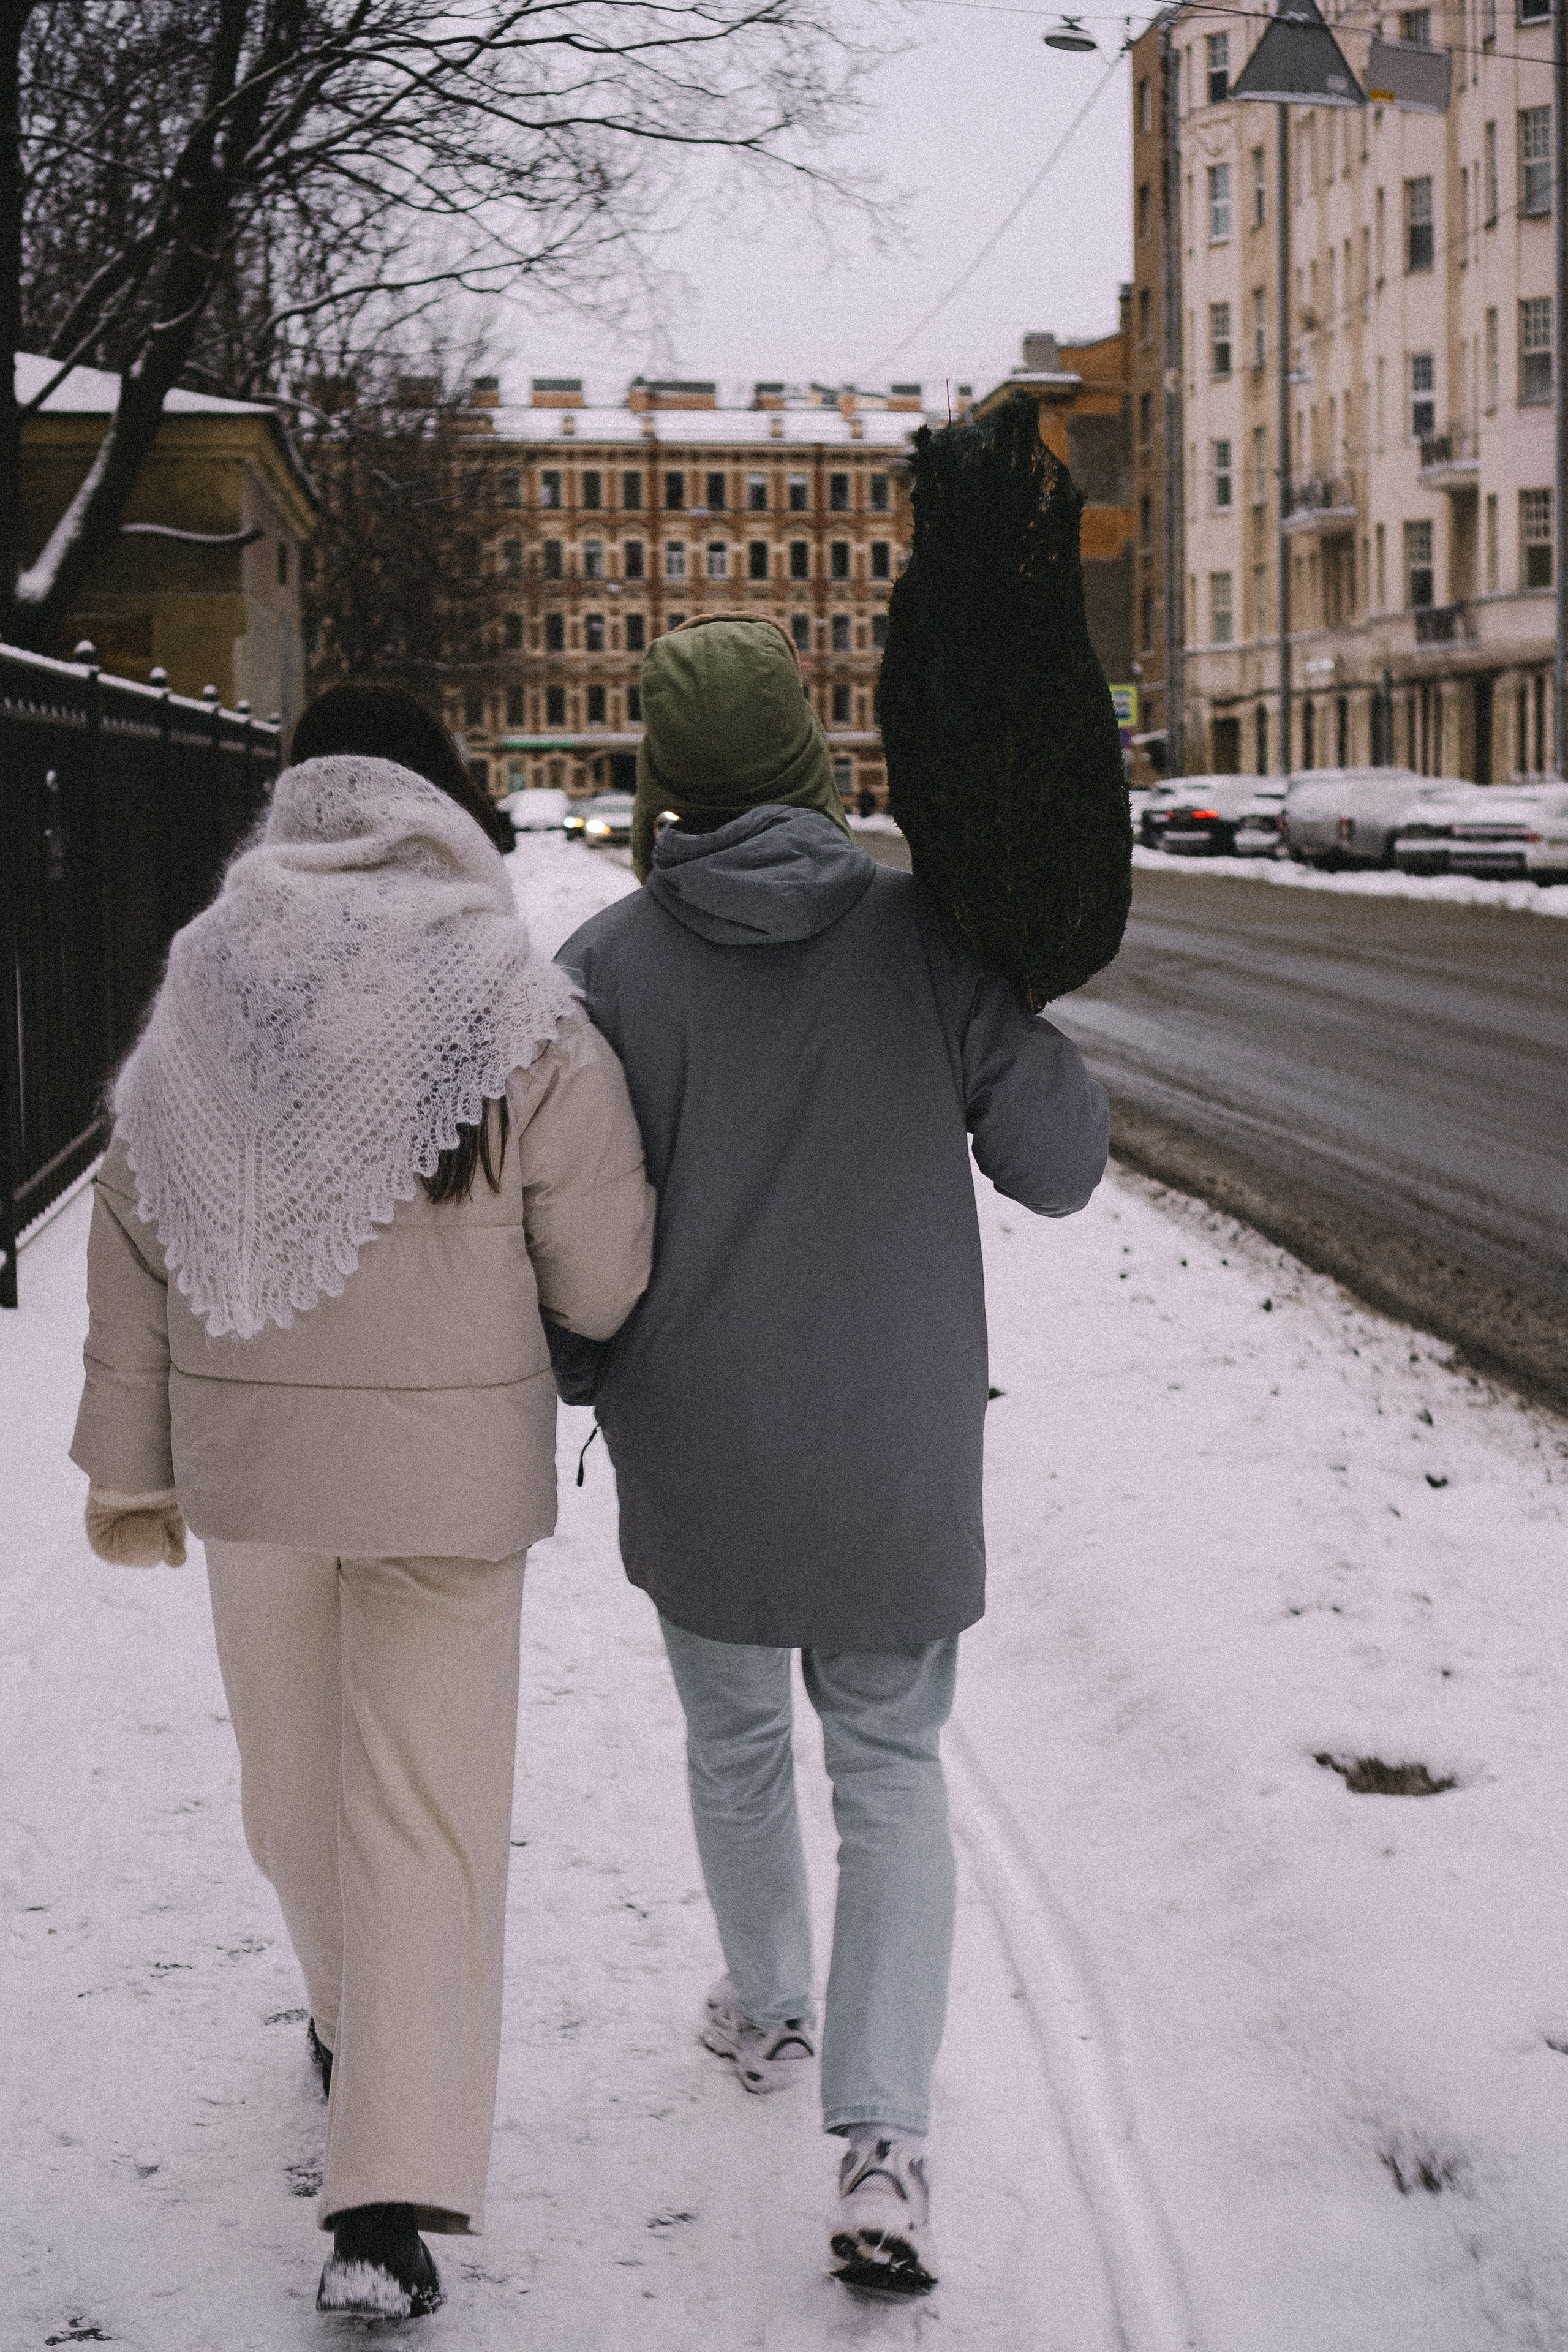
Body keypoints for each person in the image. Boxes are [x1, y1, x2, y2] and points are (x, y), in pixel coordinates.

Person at [70, 684, 655, 2320]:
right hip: (450, 1486)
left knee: (292, 1795)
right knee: (422, 1818)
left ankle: (351, 2042)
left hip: (257, 1476)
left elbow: (133, 1215)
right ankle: (383, 2195)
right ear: (445, 801)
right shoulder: (511, 999)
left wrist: (134, 1460)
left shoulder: (210, 982)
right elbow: (603, 1275)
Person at [554, 615, 1109, 2297]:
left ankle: (770, 2004)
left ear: (663, 775)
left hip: (702, 1445)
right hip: (893, 1447)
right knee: (889, 1768)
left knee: (735, 1745)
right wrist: (1024, 1000)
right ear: (810, 755)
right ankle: (884, 2141)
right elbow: (1060, 1166)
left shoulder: (603, 968)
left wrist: (584, 1373)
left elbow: (572, 1236)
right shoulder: (927, 935)